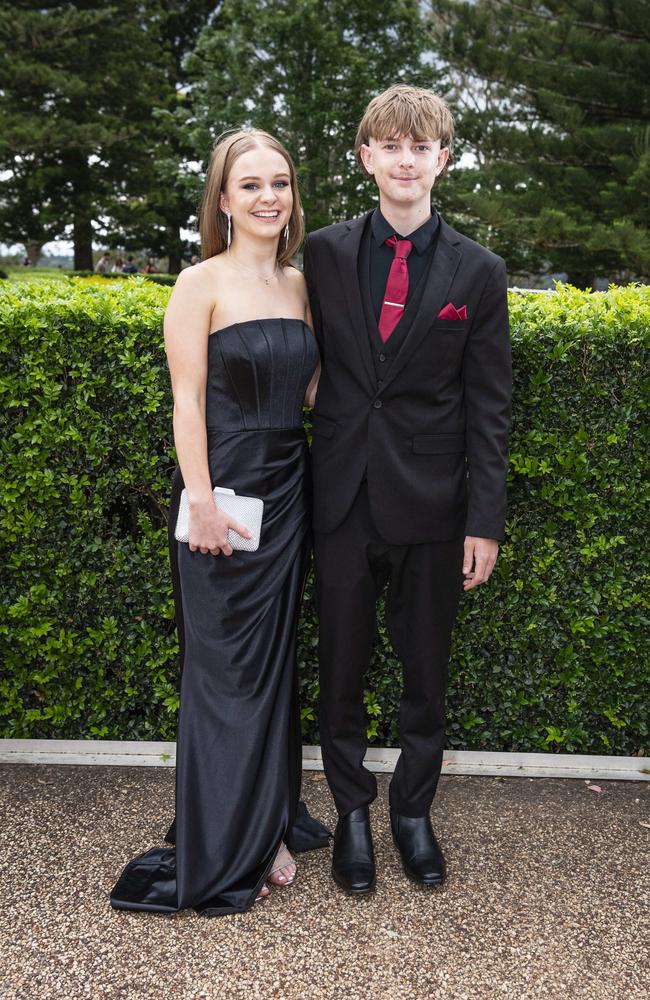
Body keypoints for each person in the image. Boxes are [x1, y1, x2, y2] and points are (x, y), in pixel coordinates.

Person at [110, 129, 328, 917]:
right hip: (224, 493)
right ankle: (226, 836)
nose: (269, 197)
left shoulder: (302, 286)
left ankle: (265, 822)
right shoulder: (198, 283)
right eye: (250, 186)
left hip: (289, 490)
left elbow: (310, 393)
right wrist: (198, 499)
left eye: (281, 182)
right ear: (224, 200)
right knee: (223, 672)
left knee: (271, 668)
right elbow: (189, 402)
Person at [303, 85, 511, 895]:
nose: (404, 160)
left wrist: (484, 521)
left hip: (434, 506)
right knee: (342, 668)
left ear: (442, 161)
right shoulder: (320, 253)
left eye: (420, 148)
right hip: (342, 499)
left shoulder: (479, 271)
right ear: (365, 157)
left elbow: (490, 408)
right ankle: (352, 811)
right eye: (389, 145)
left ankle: (411, 813)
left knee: (426, 672)